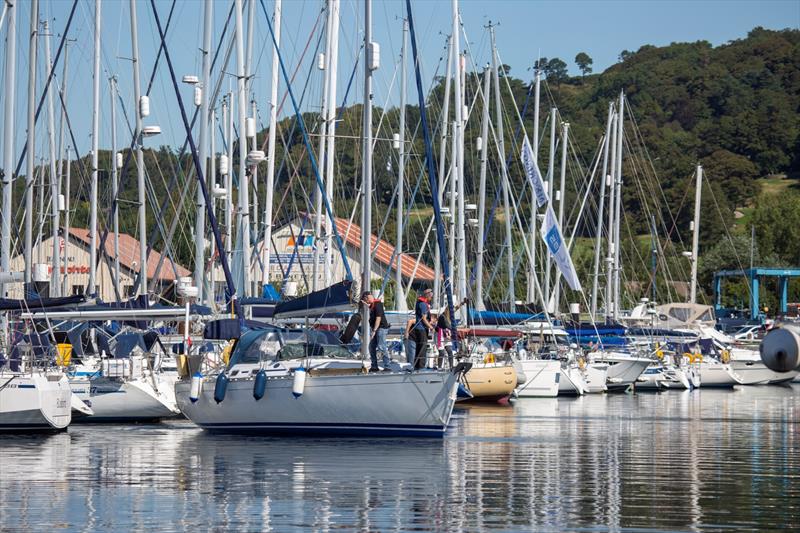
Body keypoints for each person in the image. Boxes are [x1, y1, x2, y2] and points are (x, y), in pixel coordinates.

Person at [434, 298, 468, 369]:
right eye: (451, 311)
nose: (452, 313)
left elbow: (456, 308)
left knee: (450, 351)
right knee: (442, 353)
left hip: (446, 334)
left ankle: (451, 366)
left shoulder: (450, 315)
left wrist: (462, 303)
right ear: (447, 310)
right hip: (440, 335)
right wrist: (457, 330)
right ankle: (439, 367)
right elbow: (447, 326)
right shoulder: (442, 317)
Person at [361, 291, 390, 372]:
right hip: (377, 328)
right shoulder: (373, 305)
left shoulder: (378, 304)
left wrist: (374, 331)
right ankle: (374, 366)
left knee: (381, 346)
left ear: (367, 297)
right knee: (371, 347)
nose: (366, 302)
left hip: (381, 328)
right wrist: (366, 305)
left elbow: (378, 318)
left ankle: (387, 366)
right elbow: (371, 307)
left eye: (365, 300)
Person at [411, 288, 434, 369]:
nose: (431, 298)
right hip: (421, 329)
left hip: (419, 328)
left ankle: (416, 365)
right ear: (428, 295)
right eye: (431, 296)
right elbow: (424, 318)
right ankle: (421, 367)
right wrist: (431, 327)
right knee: (422, 348)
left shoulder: (420, 303)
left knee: (419, 347)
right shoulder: (423, 304)